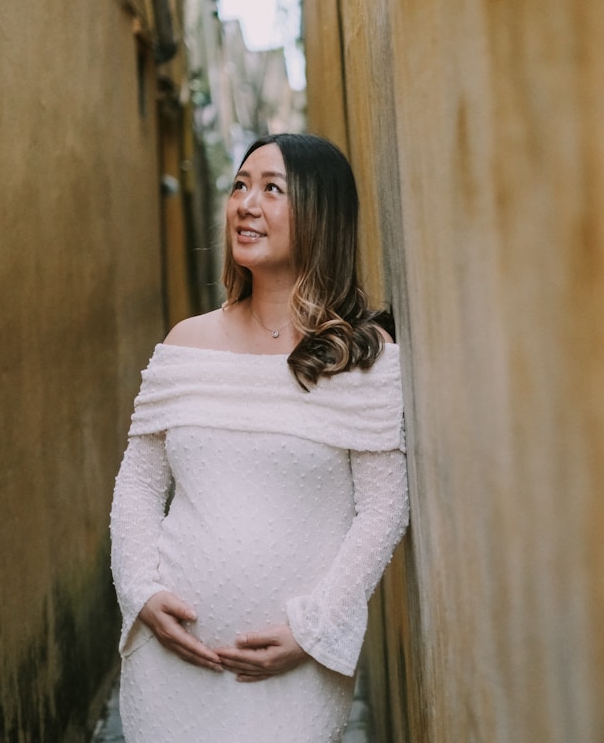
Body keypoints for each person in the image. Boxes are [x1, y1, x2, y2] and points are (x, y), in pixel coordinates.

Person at [109, 133, 409, 741]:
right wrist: (141, 590)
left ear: (321, 214)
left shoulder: (364, 358)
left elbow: (383, 509)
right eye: (240, 185)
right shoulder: (185, 344)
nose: (246, 203)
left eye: (273, 189)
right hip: (172, 666)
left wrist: (314, 628)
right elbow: (138, 486)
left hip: (292, 671)